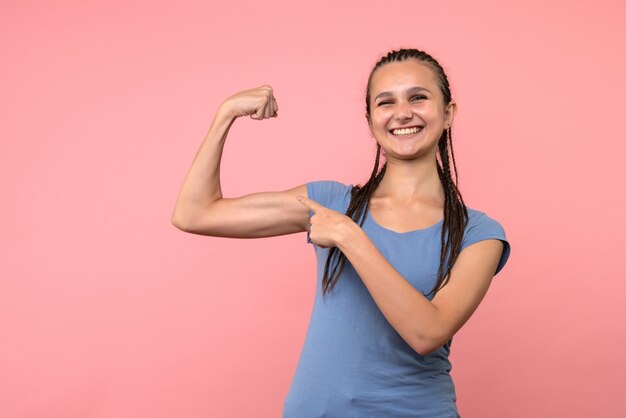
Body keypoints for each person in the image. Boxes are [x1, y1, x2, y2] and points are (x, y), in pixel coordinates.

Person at [171, 48, 511, 418]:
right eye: (386, 102)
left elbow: (427, 333)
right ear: (370, 122)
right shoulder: (331, 201)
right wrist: (226, 114)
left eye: (418, 97)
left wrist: (351, 236)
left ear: (448, 114)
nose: (402, 112)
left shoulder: (478, 233)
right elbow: (194, 214)